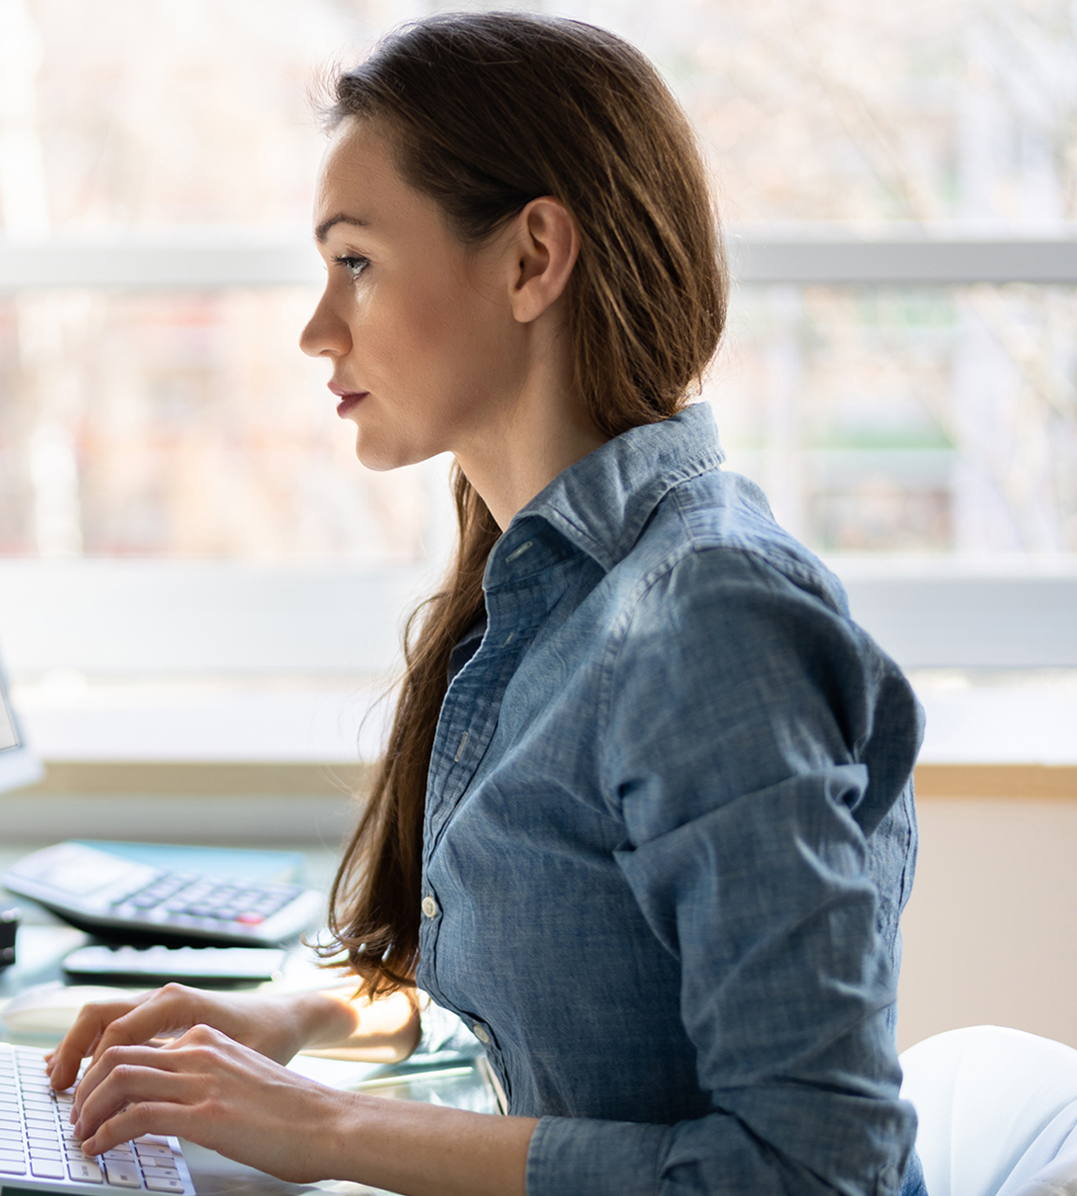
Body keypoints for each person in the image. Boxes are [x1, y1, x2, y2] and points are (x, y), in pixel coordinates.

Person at [45, 12, 925, 1196]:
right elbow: (566, 989)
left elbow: (820, 1171)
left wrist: (323, 1127)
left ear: (530, 260)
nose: (316, 328)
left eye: (356, 260)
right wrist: (295, 1017)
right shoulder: (548, 589)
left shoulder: (708, 621)